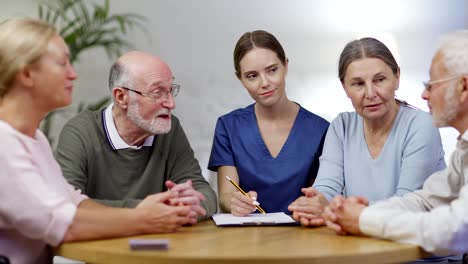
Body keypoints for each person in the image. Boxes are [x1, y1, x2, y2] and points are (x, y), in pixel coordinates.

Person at [0, 18, 202, 264]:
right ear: (27, 73)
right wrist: (145, 217)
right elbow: (62, 223)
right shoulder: (4, 143)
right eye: (63, 63)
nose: (73, 74)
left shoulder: (35, 138)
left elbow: (74, 203)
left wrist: (151, 209)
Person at [322, 30, 468, 258]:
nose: (423, 95)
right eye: (358, 83)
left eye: (432, 85)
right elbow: (424, 199)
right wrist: (348, 212)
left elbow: (456, 229)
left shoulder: (420, 124)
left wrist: (362, 218)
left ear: (463, 87)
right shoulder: (464, 150)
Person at [289, 37, 446, 227]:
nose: (371, 93)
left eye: (379, 80)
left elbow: (407, 203)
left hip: (417, 252)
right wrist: (314, 202)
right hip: (359, 244)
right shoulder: (342, 126)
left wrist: (340, 211)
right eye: (358, 84)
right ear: (345, 87)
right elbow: (327, 187)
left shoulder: (422, 125)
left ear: (397, 77)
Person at [54, 50, 217, 218]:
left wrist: (191, 203)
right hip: (98, 241)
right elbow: (68, 204)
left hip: (156, 240)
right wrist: (153, 209)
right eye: (157, 92)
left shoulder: (169, 128)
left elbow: (205, 193)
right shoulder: (80, 132)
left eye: (170, 90)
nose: (171, 103)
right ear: (121, 97)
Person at [208, 30, 329, 215]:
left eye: (272, 70)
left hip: (302, 233)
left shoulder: (321, 130)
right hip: (246, 236)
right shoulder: (228, 126)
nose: (264, 83)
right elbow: (226, 195)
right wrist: (234, 202)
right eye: (252, 76)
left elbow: (319, 195)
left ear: (286, 65)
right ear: (240, 79)